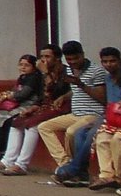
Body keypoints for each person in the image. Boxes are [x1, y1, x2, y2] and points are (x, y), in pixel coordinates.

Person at [0, 47, 70, 176]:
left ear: (57, 58)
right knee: (16, 122)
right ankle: (8, 160)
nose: (43, 60)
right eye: (42, 57)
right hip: (44, 106)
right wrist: (34, 106)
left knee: (33, 126)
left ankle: (21, 165)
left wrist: (46, 73)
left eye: (47, 57)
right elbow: (41, 96)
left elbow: (55, 91)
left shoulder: (65, 72)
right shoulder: (42, 74)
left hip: (61, 107)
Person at [38, 40, 106, 178]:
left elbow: (102, 98)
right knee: (44, 127)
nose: (73, 62)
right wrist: (64, 96)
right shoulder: (68, 70)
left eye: (76, 58)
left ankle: (77, 169)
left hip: (93, 113)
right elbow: (74, 91)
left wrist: (81, 85)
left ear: (82, 55)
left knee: (71, 132)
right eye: (69, 59)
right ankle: (66, 164)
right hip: (75, 114)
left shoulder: (96, 71)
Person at [0, 54, 42, 163]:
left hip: (28, 105)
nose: (23, 67)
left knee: (8, 122)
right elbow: (15, 91)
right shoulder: (22, 78)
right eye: (21, 65)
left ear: (34, 67)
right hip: (18, 104)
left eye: (27, 65)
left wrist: (7, 96)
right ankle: (1, 148)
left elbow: (22, 95)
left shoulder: (34, 78)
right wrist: (4, 94)